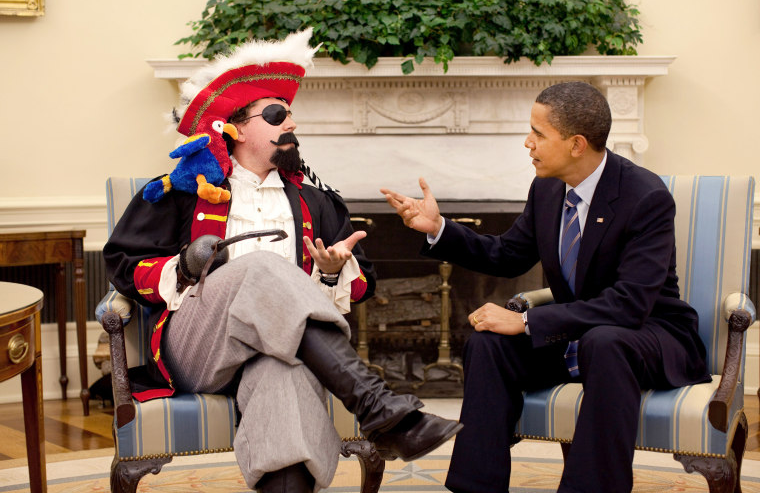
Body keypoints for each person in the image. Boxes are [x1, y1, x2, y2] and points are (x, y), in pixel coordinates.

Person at [104, 28, 462, 493]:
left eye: (291, 114)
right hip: (197, 346)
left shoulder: (316, 202)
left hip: (283, 350)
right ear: (234, 127)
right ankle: (376, 404)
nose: (289, 123)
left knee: (284, 380)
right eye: (275, 114)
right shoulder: (182, 193)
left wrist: (332, 272)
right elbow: (123, 266)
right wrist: (186, 268)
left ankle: (370, 426)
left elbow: (361, 286)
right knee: (259, 266)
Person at [380, 81, 710, 492]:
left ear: (576, 144)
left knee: (604, 342)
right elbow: (507, 255)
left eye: (538, 134)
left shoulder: (645, 196)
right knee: (487, 342)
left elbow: (630, 304)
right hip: (580, 334)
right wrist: (439, 229)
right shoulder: (548, 188)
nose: (527, 143)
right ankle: (475, 488)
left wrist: (527, 322)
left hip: (649, 334)